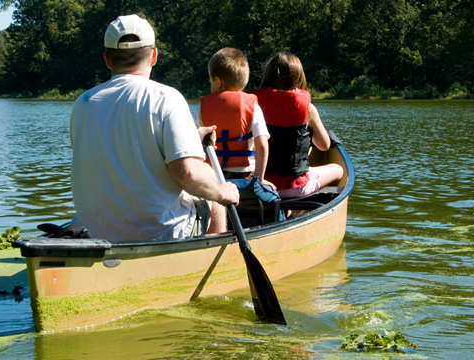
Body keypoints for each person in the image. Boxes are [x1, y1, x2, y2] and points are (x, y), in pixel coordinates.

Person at [70, 15, 239, 242]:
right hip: (158, 235)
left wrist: (190, 138)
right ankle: (210, 263)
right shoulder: (166, 97)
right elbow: (187, 172)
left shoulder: (83, 103)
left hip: (94, 236)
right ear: (154, 56)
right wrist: (221, 193)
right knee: (211, 182)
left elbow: (118, 150)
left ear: (108, 59)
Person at [256, 52, 343, 199]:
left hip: (262, 186)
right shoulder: (308, 109)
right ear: (299, 77)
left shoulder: (256, 104)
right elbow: (324, 146)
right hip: (296, 187)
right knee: (338, 169)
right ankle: (303, 212)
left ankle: (286, 212)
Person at [193, 48, 274, 188]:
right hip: (246, 175)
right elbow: (262, 144)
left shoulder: (200, 110)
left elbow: (192, 144)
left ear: (218, 82)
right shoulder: (253, 108)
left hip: (214, 177)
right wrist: (259, 178)